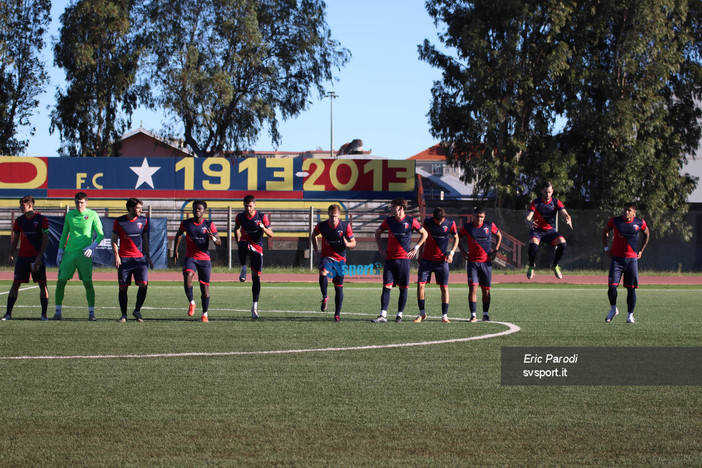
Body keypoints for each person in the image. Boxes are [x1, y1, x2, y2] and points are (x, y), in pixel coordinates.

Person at [372, 198, 427, 323]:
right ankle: (383, 315)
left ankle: (399, 315)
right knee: (386, 287)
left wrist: (415, 249)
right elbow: (377, 233)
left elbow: (425, 234)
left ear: (400, 208)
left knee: (403, 288)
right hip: (390, 259)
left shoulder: (410, 221)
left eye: (393, 207)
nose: (390, 209)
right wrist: (380, 248)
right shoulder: (389, 221)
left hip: (404, 260)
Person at [54, 192, 104, 321]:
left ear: (86, 203)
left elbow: (100, 234)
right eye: (77, 202)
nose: (79, 204)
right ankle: (58, 312)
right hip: (69, 254)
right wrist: (60, 251)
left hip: (84, 255)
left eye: (81, 202)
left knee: (88, 283)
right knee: (61, 282)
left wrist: (92, 247)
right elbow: (65, 234)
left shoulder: (92, 215)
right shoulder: (70, 215)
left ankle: (91, 314)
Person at [173, 200, 221, 322]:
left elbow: (219, 242)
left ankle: (205, 314)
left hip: (204, 259)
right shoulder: (187, 223)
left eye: (199, 209)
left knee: (204, 288)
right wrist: (175, 250)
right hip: (191, 257)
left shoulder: (209, 225)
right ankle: (192, 302)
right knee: (187, 276)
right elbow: (179, 234)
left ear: (204, 211)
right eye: (195, 208)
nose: (197, 210)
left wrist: (213, 238)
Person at [602, 202, 650, 324]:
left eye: (629, 210)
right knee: (612, 287)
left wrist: (641, 250)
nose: (626, 212)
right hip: (617, 259)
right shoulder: (615, 221)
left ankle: (630, 316)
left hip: (631, 260)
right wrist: (606, 248)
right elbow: (604, 232)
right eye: (624, 210)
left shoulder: (640, 223)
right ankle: (613, 309)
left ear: (634, 212)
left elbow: (647, 234)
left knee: (631, 289)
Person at [3, 196, 50, 320]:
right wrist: (11, 253)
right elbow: (15, 239)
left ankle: (44, 314)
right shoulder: (19, 221)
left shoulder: (41, 220)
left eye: (22, 205)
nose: (20, 207)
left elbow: (45, 239)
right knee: (15, 284)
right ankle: (8, 313)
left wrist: (39, 256)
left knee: (42, 285)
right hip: (23, 258)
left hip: (36, 258)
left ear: (30, 205)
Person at [311, 204, 357, 322]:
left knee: (338, 287)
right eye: (331, 216)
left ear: (339, 215)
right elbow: (313, 235)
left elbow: (354, 243)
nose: (333, 219)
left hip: (340, 259)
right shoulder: (322, 226)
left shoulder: (345, 226)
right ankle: (325, 297)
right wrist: (316, 251)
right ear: (328, 215)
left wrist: (347, 244)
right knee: (323, 271)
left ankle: (337, 314)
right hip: (327, 257)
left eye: (335, 216)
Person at [414, 207, 459, 323]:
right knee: (420, 285)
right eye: (437, 221)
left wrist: (452, 253)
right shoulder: (428, 222)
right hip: (427, 260)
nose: (439, 223)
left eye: (441, 221)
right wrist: (420, 254)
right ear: (433, 217)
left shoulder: (450, 223)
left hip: (441, 261)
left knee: (444, 287)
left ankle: (444, 316)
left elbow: (456, 238)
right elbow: (423, 237)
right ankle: (422, 313)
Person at [112, 198, 153, 323]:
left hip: (140, 259)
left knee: (144, 284)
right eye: (138, 208)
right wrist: (116, 256)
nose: (140, 210)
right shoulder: (119, 221)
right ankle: (123, 315)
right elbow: (114, 239)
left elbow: (145, 240)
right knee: (123, 288)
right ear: (130, 208)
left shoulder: (144, 221)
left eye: (141, 208)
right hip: (125, 259)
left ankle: (137, 310)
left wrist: (149, 257)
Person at [458, 207, 502, 322]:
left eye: (482, 217)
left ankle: (485, 314)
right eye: (477, 216)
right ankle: (473, 315)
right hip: (473, 263)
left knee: (486, 290)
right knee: (473, 288)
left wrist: (496, 250)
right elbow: (457, 237)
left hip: (486, 263)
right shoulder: (468, 227)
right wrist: (462, 251)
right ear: (474, 216)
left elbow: (499, 235)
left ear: (484, 217)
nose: (479, 219)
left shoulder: (489, 225)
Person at [234, 195, 273, 319]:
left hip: (258, 249)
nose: (248, 208)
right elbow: (236, 229)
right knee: (243, 244)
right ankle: (243, 268)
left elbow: (271, 234)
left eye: (250, 206)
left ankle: (254, 306)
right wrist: (238, 240)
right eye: (246, 206)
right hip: (246, 244)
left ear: (254, 205)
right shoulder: (240, 217)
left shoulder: (262, 217)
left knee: (256, 278)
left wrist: (263, 228)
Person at [525, 181, 573, 279]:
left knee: (562, 243)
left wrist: (567, 218)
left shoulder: (556, 202)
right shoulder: (536, 202)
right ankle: (531, 266)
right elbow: (527, 218)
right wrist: (530, 222)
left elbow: (565, 213)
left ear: (552, 191)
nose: (548, 194)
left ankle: (554, 265)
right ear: (541, 191)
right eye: (546, 192)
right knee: (533, 245)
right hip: (537, 230)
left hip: (550, 231)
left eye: (549, 192)